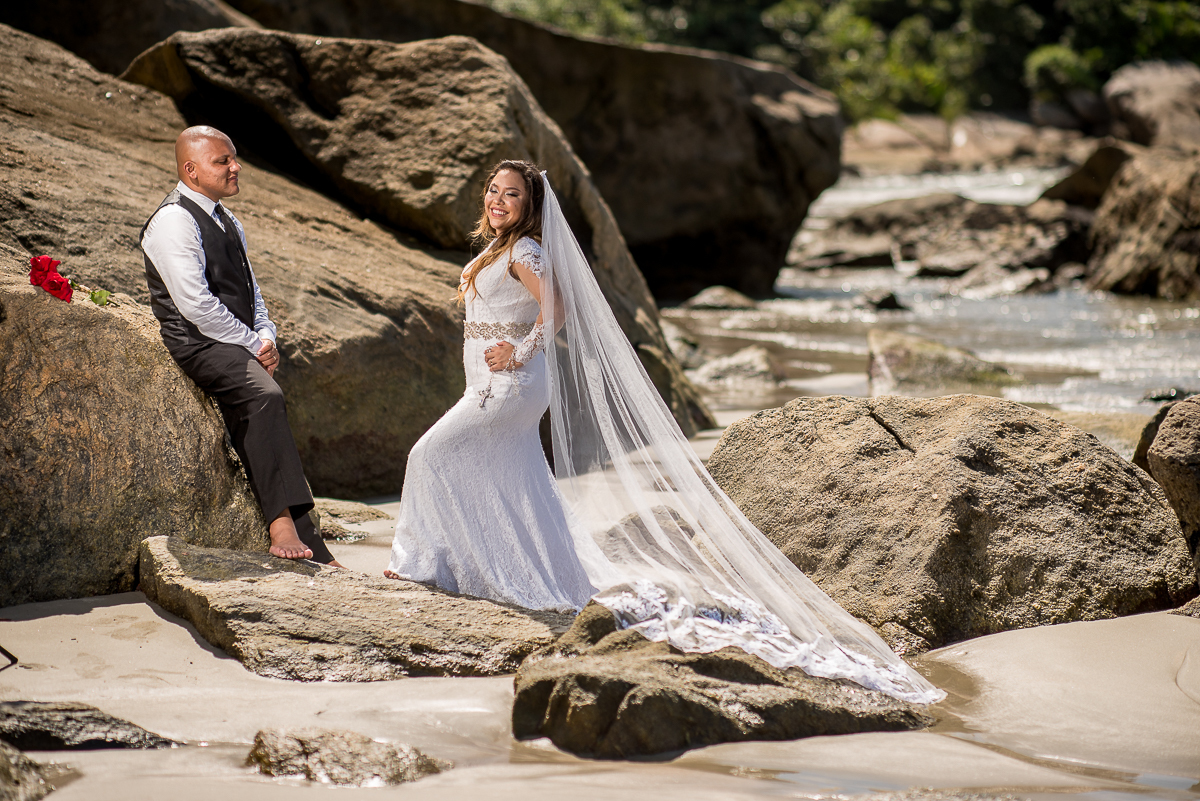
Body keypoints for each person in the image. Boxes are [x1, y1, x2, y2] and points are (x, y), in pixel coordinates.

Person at [387, 160, 943, 704]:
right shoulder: (496, 249)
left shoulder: (526, 250)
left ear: (530, 207)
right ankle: (479, 566)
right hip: (486, 380)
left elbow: (556, 308)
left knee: (430, 454)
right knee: (514, 478)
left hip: (506, 385)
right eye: (493, 191)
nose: (497, 201)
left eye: (511, 195)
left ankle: (424, 562)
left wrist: (519, 352)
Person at [140, 126, 339, 566]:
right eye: (222, 161)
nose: (236, 167)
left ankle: (313, 541)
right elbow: (195, 305)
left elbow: (252, 291)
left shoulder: (228, 219)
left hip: (233, 339)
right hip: (196, 342)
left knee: (267, 398)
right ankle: (281, 522)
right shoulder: (172, 220)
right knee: (263, 395)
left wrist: (266, 335)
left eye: (234, 157)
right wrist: (252, 343)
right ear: (190, 170)